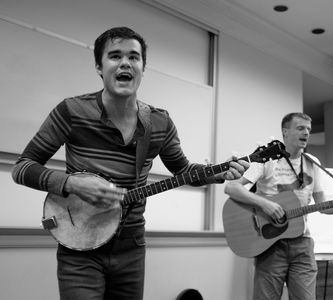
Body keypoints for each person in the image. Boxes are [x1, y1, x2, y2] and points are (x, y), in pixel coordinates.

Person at [11, 26, 249, 300]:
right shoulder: (71, 112)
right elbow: (22, 167)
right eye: (115, 56)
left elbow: (183, 172)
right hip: (78, 245)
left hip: (131, 245)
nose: (125, 62)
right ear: (99, 67)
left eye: (134, 57)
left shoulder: (159, 122)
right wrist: (71, 184)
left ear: (142, 68)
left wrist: (219, 172)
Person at [224, 112, 333, 300]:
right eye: (300, 128)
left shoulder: (313, 163)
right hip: (270, 244)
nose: (306, 133)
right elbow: (232, 187)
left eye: (309, 130)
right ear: (285, 132)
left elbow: (321, 205)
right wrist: (265, 204)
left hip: (302, 244)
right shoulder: (267, 159)